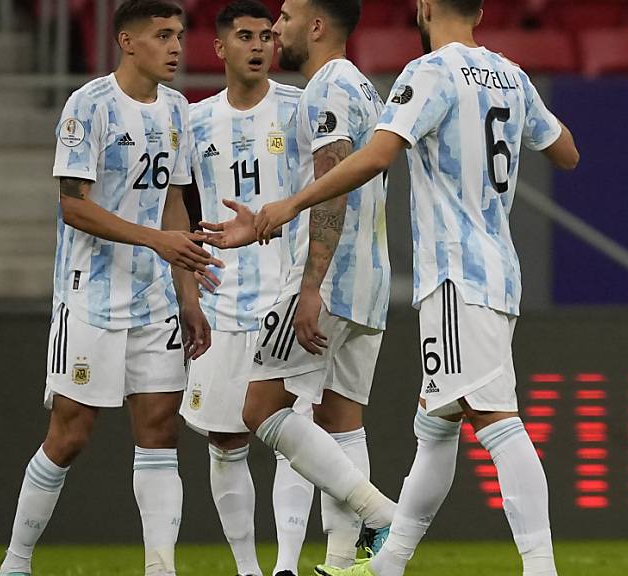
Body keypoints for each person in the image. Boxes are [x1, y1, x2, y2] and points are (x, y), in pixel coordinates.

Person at [203, 1, 580, 574]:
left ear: (427, 6)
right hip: (498, 268)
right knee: (434, 423)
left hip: (453, 272)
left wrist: (288, 205)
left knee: (495, 421)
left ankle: (540, 566)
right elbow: (566, 152)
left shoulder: (427, 72)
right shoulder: (510, 73)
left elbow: (376, 155)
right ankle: (387, 561)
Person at [0, 2, 218, 575]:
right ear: (126, 40)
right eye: (162, 35)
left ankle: (160, 568)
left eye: (179, 34)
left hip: (154, 302)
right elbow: (74, 206)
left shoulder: (177, 110)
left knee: (160, 431)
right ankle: (16, 562)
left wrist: (188, 298)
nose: (175, 46)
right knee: (70, 435)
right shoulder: (88, 105)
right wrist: (156, 241)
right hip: (90, 297)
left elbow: (174, 201)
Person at [178, 2, 314, 575]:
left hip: (283, 294)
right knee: (223, 440)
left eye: (266, 35)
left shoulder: (300, 109)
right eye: (245, 36)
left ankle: (284, 564)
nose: (260, 45)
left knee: (290, 435)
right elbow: (177, 212)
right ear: (220, 48)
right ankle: (246, 568)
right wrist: (187, 292)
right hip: (221, 297)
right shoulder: (194, 120)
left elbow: (327, 195)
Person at [271, 0, 393, 568]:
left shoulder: (326, 88)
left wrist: (311, 283)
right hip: (371, 281)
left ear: (316, 26)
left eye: (287, 14)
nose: (277, 26)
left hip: (333, 278)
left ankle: (385, 515)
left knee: (260, 408)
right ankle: (343, 563)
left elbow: (333, 180)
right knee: (341, 422)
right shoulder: (364, 87)